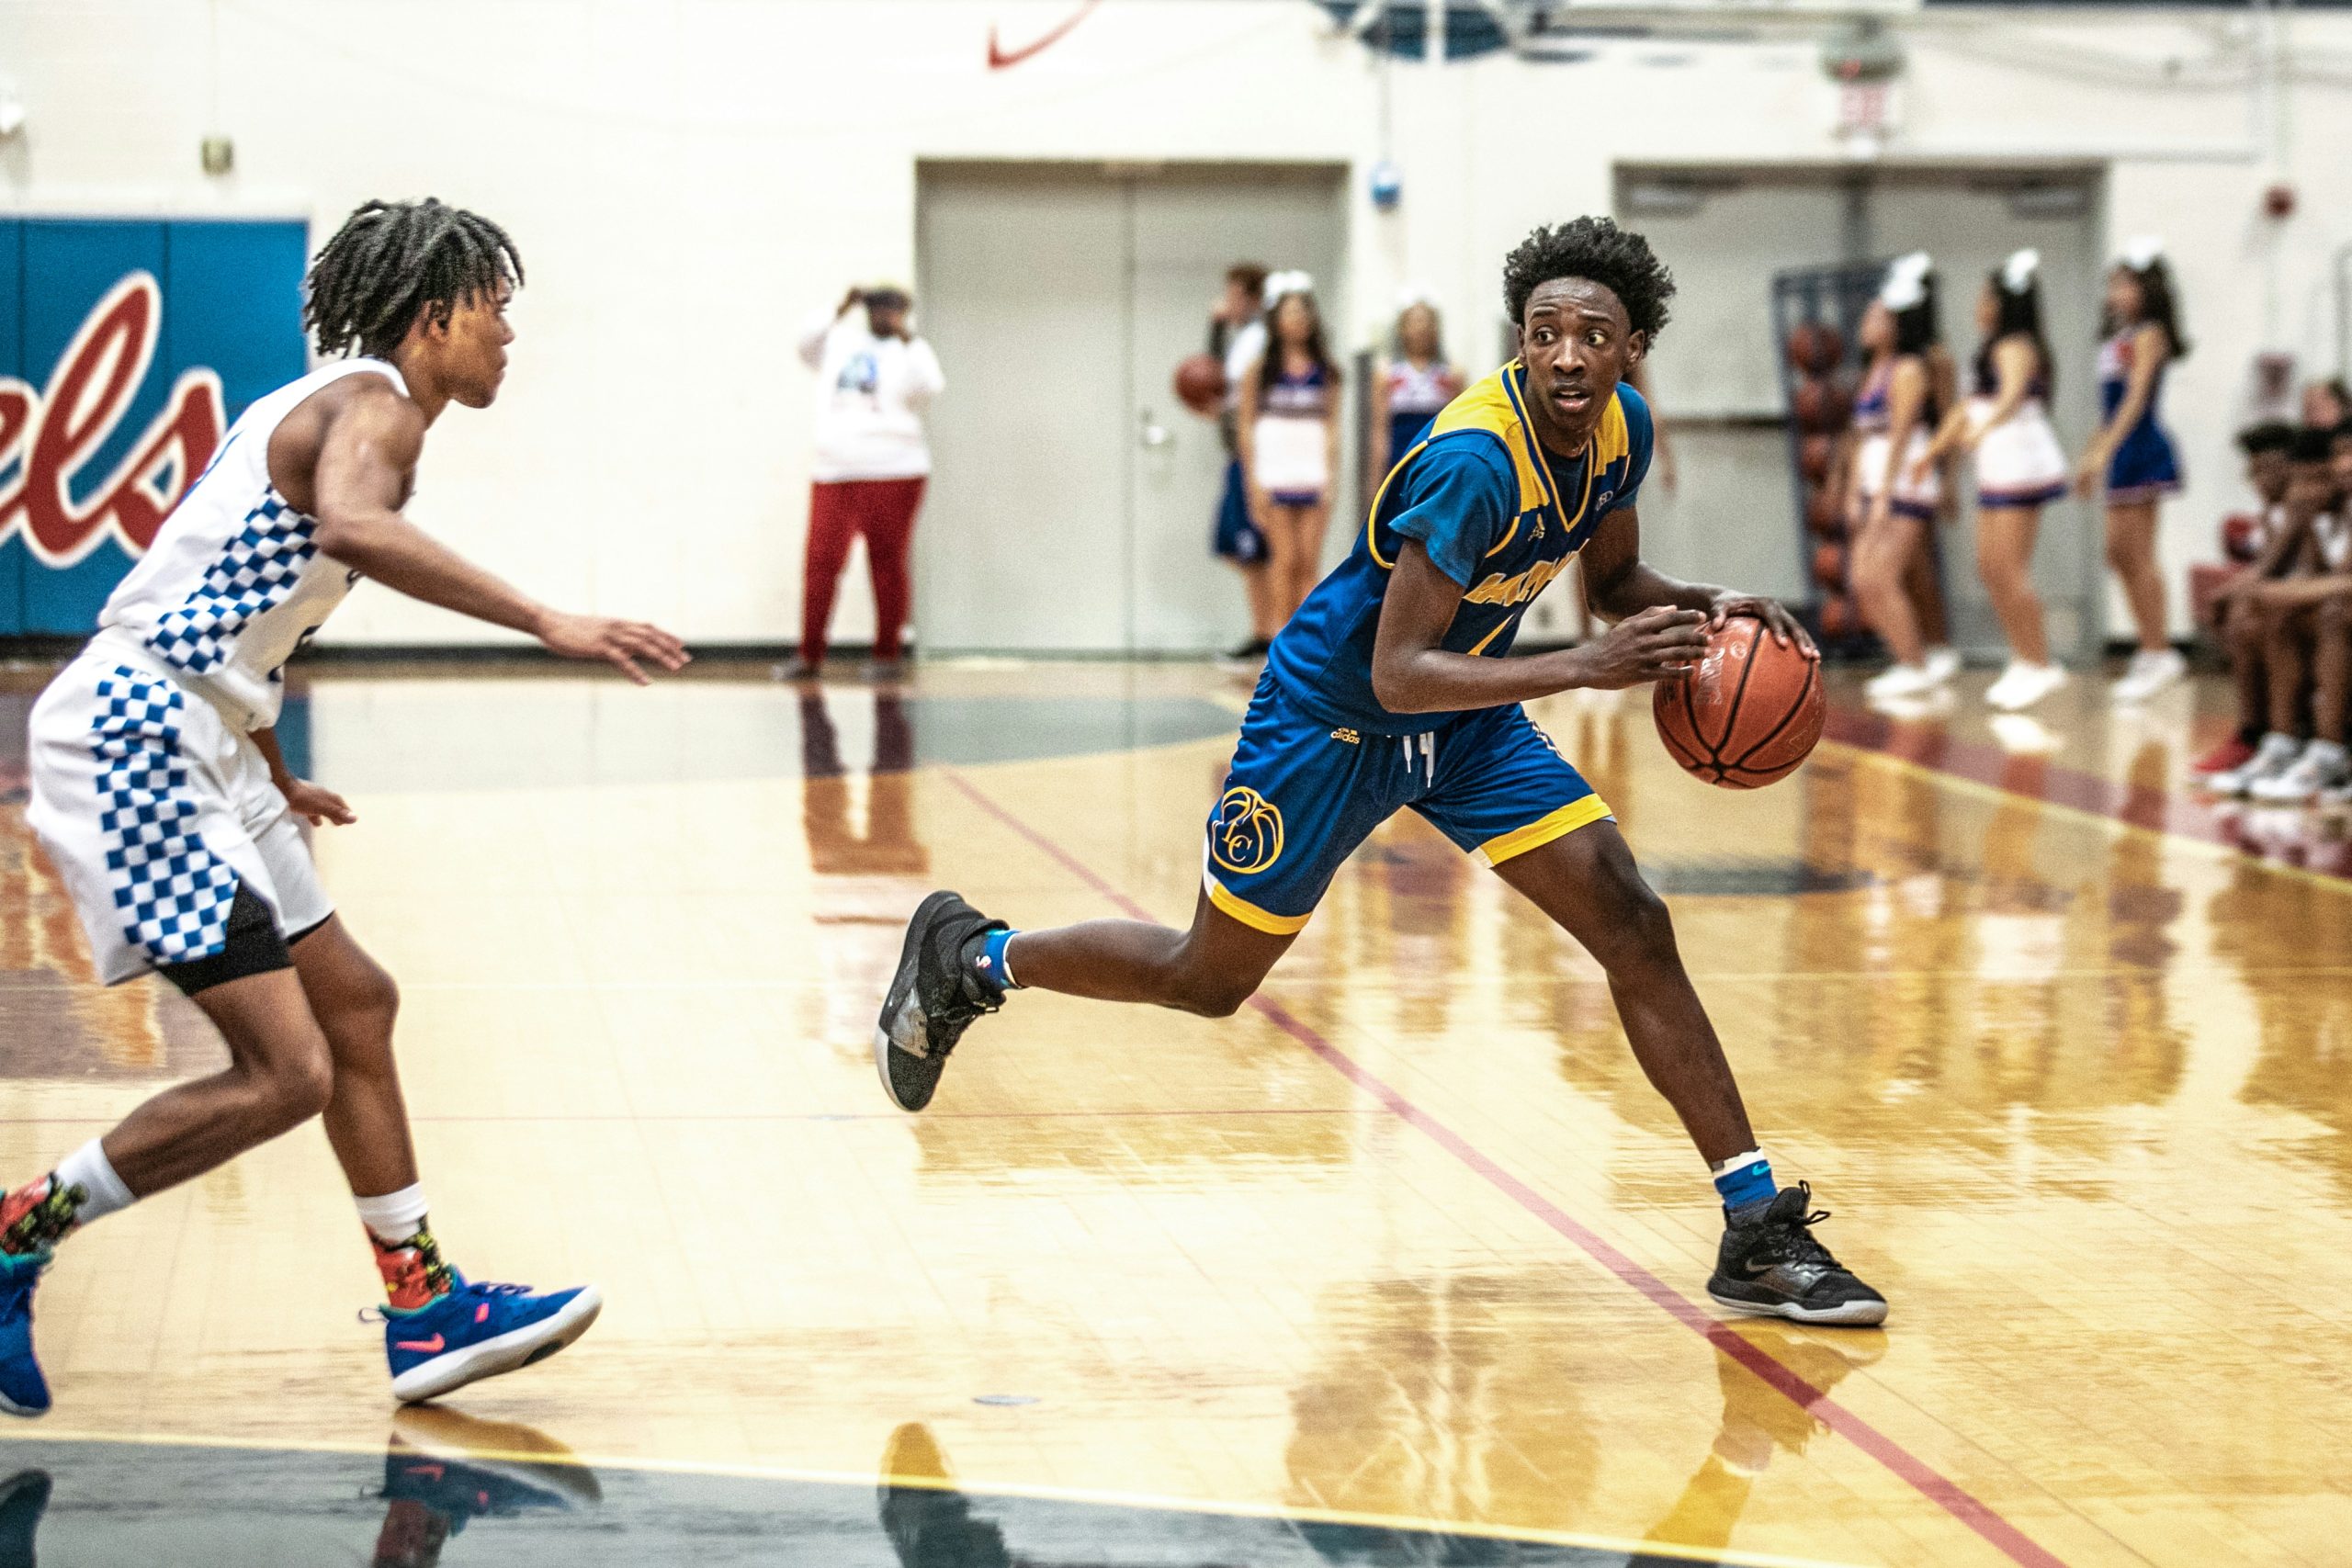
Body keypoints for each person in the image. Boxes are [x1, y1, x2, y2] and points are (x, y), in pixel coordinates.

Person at [874, 217, 1888, 1327]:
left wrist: (1711, 603)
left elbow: (1611, 582)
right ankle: (973, 958)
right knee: (1206, 980)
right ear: (1520, 339)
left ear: (1629, 349)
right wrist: (1587, 669)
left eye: (1589, 336)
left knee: (1633, 923)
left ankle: (1753, 1229)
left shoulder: (1619, 432)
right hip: (1334, 720)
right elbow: (1398, 670)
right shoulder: (1471, 463)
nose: (1562, 355)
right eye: (1542, 332)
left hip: (1469, 716)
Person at [4, 197, 691, 1416]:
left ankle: (423, 1303)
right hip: (133, 739)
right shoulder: (373, 406)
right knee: (287, 1071)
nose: (508, 335)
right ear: (434, 317)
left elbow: (221, 597)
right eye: (494, 309)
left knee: (358, 1004)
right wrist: (547, 619)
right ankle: (16, 1229)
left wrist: (270, 762)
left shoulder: (327, 401)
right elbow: (351, 531)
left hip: (204, 734)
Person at [1912, 249, 2068, 711]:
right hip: (1997, 461)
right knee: (1990, 566)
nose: (1978, 303)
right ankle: (2023, 658)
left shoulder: (2015, 345)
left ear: (2003, 303)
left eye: (1985, 295)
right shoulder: (1987, 348)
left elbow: (2012, 394)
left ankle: (2040, 663)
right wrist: (1934, 450)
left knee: (2010, 567)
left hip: (2019, 458)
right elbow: (1965, 407)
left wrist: (1985, 426)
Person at [794, 285, 944, 682]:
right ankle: (809, 655)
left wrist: (906, 337)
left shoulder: (911, 351)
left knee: (887, 562)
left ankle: (887, 654)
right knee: (821, 563)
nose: (885, 315)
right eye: (878, 307)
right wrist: (839, 306)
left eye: (894, 308)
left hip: (894, 470)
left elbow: (930, 385)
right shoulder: (840, 343)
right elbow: (804, 343)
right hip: (834, 470)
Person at [2078, 237, 2189, 703]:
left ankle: (2160, 650)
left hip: (2140, 448)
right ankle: (2150, 647)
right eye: (2112, 285)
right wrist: (2094, 448)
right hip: (2120, 446)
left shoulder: (2149, 335)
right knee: (2118, 553)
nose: (2114, 294)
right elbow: (2109, 409)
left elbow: (2136, 397)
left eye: (2124, 284)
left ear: (2147, 288)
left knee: (2138, 553)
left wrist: (2106, 451)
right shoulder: (2120, 336)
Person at [2216, 428, 2352, 801]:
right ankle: (2275, 740)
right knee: (2269, 617)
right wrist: (2302, 526)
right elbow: (2317, 575)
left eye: (2318, 477)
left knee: (2330, 613)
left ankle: (2330, 750)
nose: (2343, 466)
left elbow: (2341, 585)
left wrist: (2284, 592)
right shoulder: (2321, 512)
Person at [1848, 254, 1959, 701]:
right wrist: (1857, 491)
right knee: (1862, 578)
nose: (1867, 321)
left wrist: (1881, 497)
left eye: (1877, 314)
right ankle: (1909, 660)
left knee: (1882, 576)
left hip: (1904, 483)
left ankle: (1915, 663)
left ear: (1896, 323)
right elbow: (1861, 438)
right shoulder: (1875, 368)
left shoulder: (1911, 369)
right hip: (1877, 483)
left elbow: (1898, 438)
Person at [1236, 274, 1344, 631]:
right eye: (1290, 312)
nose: (1298, 319)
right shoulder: (1259, 371)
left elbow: (1332, 428)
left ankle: (1306, 648)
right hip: (1274, 473)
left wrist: (1332, 476)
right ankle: (1278, 646)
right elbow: (1246, 428)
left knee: (1309, 565)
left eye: (1304, 312)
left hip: (1313, 473)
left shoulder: (1326, 372)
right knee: (1283, 562)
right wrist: (1252, 483)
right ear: (1276, 320)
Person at [2191, 422, 2298, 777]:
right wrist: (2227, 595)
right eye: (2253, 473)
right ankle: (2258, 734)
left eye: (2267, 471)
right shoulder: (2271, 515)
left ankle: (2271, 736)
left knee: (2261, 619)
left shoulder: (2308, 511)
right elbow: (2266, 570)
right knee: (2242, 617)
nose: (2259, 482)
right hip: (2300, 604)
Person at [1208, 264, 1275, 661]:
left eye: (1234, 295)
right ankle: (1263, 629)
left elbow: (1227, 388)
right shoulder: (1242, 339)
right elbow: (1216, 381)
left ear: (1252, 299)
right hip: (1239, 454)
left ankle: (1270, 633)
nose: (1226, 303)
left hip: (1259, 458)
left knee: (1257, 547)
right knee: (1236, 545)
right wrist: (1215, 328)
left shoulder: (1259, 341)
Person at [1366, 289, 1464, 487]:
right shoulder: (1387, 373)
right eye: (1414, 321)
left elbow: (1460, 428)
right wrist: (1375, 480)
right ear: (1401, 328)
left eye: (1427, 321)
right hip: (1398, 460)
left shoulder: (1451, 374)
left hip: (1437, 460)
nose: (1421, 328)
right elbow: (1379, 431)